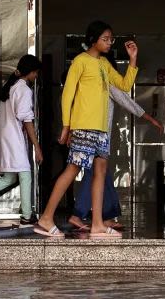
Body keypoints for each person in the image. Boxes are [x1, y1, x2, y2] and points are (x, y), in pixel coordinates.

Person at [33, 20, 138, 239]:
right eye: (105, 39)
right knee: (72, 170)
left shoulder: (104, 65)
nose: (109, 43)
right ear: (93, 40)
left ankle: (98, 224)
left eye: (111, 39)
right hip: (84, 127)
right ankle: (46, 218)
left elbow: (125, 85)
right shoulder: (80, 62)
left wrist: (133, 59)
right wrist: (66, 126)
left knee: (99, 172)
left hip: (101, 130)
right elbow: (67, 95)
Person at [68, 80, 163, 232]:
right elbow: (126, 101)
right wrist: (151, 119)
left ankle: (105, 217)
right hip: (97, 137)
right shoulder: (105, 83)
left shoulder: (89, 84)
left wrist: (70, 132)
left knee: (101, 175)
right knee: (95, 175)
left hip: (90, 135)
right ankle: (82, 214)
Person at [0, 55, 43, 225]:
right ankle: (27, 216)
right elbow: (26, 119)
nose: (36, 77)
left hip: (5, 137)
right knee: (25, 174)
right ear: (31, 72)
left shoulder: (11, 86)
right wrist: (37, 146)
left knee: (10, 178)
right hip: (14, 139)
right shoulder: (24, 90)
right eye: (36, 73)